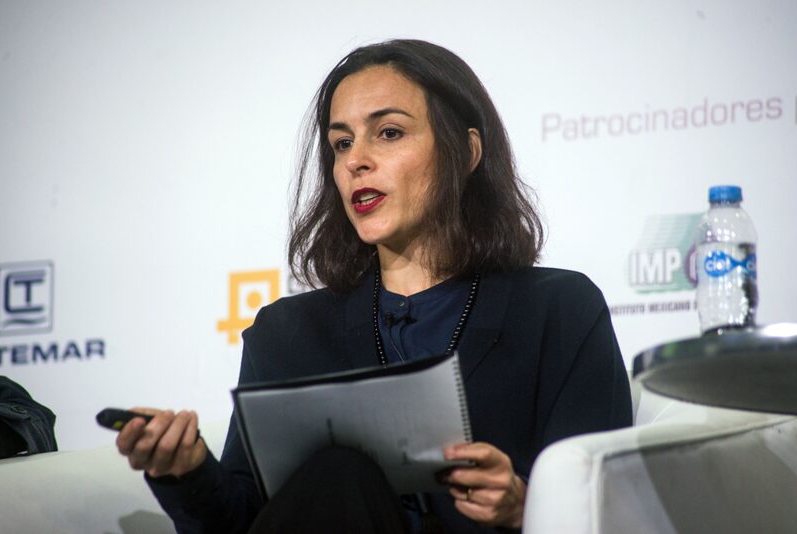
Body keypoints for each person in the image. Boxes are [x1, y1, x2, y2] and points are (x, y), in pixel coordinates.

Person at [115, 39, 632, 533]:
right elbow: (248, 521)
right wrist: (186, 471)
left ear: (466, 151)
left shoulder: (559, 310)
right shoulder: (287, 334)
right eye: (342, 143)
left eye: (388, 133)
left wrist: (525, 504)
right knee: (340, 476)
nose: (355, 160)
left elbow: (608, 502)